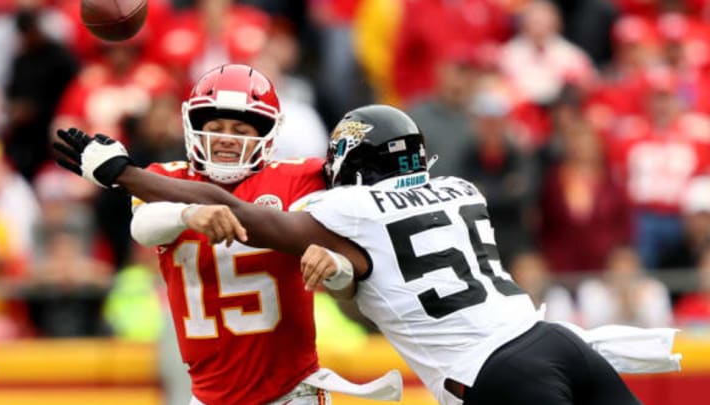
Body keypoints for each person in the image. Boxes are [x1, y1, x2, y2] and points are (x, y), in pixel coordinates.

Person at [55, 105, 647, 404]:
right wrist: (340, 269)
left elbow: (240, 210)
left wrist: (125, 173)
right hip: (559, 340)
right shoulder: (464, 190)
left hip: (495, 375)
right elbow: (365, 267)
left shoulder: (350, 208)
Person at [55, 64, 401, 405]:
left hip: (289, 392)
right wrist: (190, 214)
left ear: (266, 133)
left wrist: (336, 264)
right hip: (207, 396)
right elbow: (143, 228)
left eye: (240, 129)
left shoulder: (298, 178)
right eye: (216, 126)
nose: (225, 137)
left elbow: (353, 255)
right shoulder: (168, 177)